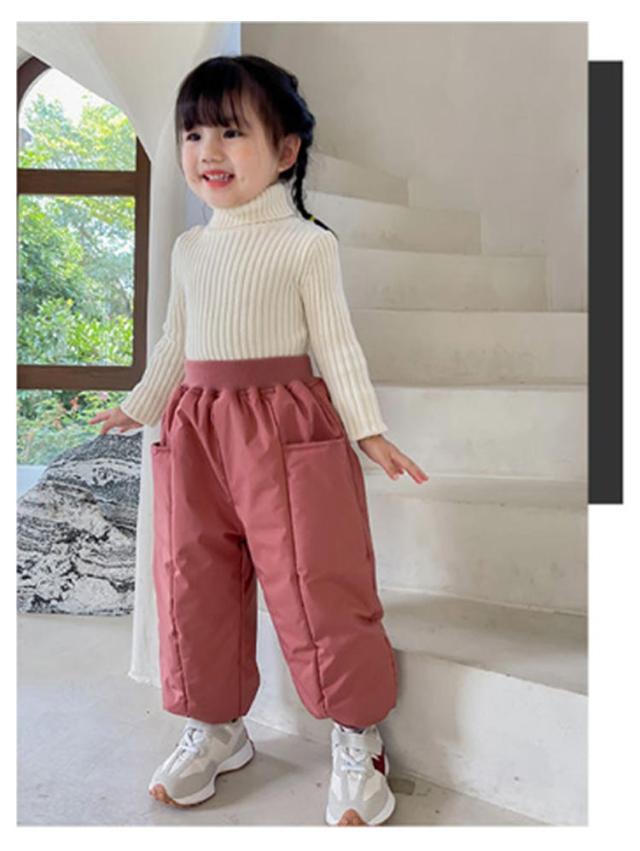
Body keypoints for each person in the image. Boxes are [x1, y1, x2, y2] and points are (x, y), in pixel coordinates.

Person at [89, 54, 428, 827]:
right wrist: (142, 404)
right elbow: (176, 341)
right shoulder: (189, 249)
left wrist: (368, 429)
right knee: (192, 581)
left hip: (288, 429)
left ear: (285, 151)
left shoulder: (308, 244)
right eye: (194, 134)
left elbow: (337, 345)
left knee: (319, 581)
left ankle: (357, 735)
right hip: (196, 429)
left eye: (231, 132)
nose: (208, 150)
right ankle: (217, 727)